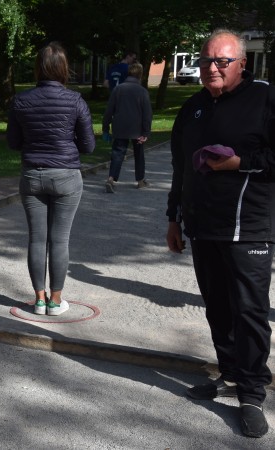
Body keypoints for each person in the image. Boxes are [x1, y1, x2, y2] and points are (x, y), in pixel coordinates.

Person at [166, 29, 275, 438]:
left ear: (241, 64)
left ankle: (251, 392)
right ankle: (229, 374)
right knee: (217, 306)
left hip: (248, 227)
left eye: (222, 61)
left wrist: (240, 163)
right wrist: (173, 219)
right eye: (206, 60)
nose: (212, 68)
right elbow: (179, 169)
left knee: (249, 312)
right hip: (202, 226)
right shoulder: (192, 108)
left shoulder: (264, 98)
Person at [6, 42, 95, 316]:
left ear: (38, 68)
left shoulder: (21, 101)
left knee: (36, 239)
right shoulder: (76, 101)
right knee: (59, 240)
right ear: (64, 69)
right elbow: (89, 145)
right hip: (67, 175)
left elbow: (12, 142)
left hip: (33, 174)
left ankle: (40, 299)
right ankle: (56, 301)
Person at [102, 62, 153, 193]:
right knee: (139, 154)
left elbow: (109, 111)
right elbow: (147, 114)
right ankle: (140, 181)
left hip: (120, 127)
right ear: (140, 75)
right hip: (137, 129)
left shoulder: (118, 89)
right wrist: (146, 132)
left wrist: (105, 128)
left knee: (117, 154)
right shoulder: (142, 91)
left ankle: (111, 179)